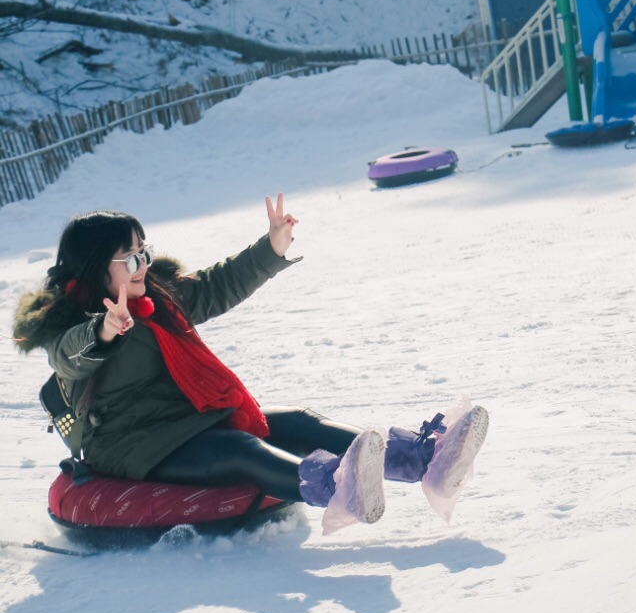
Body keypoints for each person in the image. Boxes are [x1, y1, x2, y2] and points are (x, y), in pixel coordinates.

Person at [14, 199, 488, 534]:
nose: (142, 265)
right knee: (240, 448)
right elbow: (67, 358)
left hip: (187, 423)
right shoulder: (73, 324)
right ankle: (336, 487)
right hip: (132, 446)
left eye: (144, 252)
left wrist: (271, 247)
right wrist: (103, 330)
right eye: (129, 258)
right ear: (97, 266)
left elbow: (219, 284)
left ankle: (423, 463)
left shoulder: (156, 297)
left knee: (300, 421)